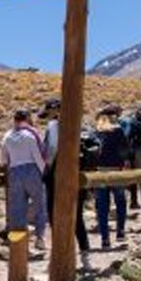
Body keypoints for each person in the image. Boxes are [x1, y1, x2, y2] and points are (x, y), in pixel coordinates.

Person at [40, 98, 94, 269]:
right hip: (77, 174)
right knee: (76, 216)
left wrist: (47, 167)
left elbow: (51, 149)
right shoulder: (80, 124)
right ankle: (85, 256)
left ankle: (59, 258)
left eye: (48, 113)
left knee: (54, 214)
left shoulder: (53, 126)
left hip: (57, 176)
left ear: (54, 110)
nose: (48, 117)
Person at [1, 108, 48, 253]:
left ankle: (19, 243)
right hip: (32, 170)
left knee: (17, 208)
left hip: (14, 170)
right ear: (27, 118)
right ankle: (40, 237)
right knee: (40, 203)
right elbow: (38, 156)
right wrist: (43, 173)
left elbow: (4, 158)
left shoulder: (7, 136)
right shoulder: (31, 134)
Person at [93, 105, 130, 250]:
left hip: (100, 171)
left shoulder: (96, 131)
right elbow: (125, 150)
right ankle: (120, 231)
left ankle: (105, 239)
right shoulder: (118, 130)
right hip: (116, 170)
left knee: (102, 206)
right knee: (120, 201)